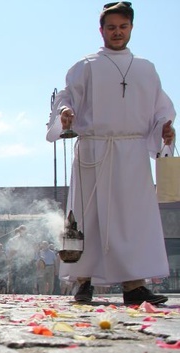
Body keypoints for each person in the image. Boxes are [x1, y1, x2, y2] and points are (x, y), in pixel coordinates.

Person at [47, 1, 175, 306]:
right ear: (101, 30)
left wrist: (164, 129)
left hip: (131, 151)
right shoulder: (86, 65)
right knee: (87, 214)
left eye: (123, 27)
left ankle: (134, 285)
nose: (117, 33)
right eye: (111, 27)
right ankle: (83, 281)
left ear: (131, 27)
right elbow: (67, 96)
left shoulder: (146, 68)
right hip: (94, 147)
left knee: (132, 217)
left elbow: (160, 109)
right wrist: (65, 111)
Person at [6, 225, 36, 294]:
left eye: (24, 229)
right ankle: (17, 292)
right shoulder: (14, 240)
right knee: (17, 280)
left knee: (29, 280)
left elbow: (35, 248)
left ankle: (29, 293)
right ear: (19, 231)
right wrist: (10, 261)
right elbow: (11, 252)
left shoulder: (31, 238)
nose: (23, 231)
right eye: (21, 229)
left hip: (28, 262)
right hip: (17, 262)